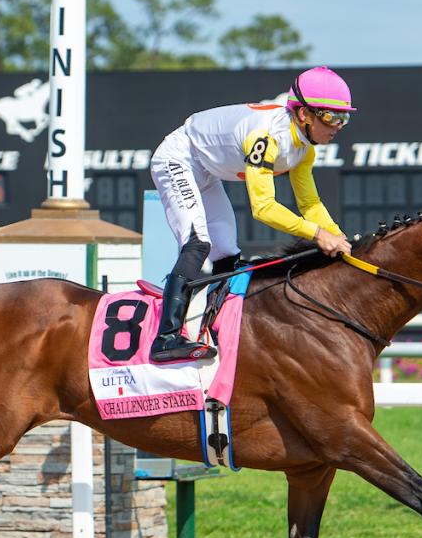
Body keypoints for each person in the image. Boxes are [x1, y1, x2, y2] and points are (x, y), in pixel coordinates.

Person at [148, 66, 355, 362]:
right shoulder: (267, 137)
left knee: (227, 254)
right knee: (198, 243)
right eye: (331, 116)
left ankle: (214, 327)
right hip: (178, 158)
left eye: (344, 117)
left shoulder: (304, 149)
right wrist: (318, 234)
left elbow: (309, 204)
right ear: (303, 114)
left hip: (205, 170)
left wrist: (337, 235)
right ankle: (166, 338)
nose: (338, 125)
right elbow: (263, 208)